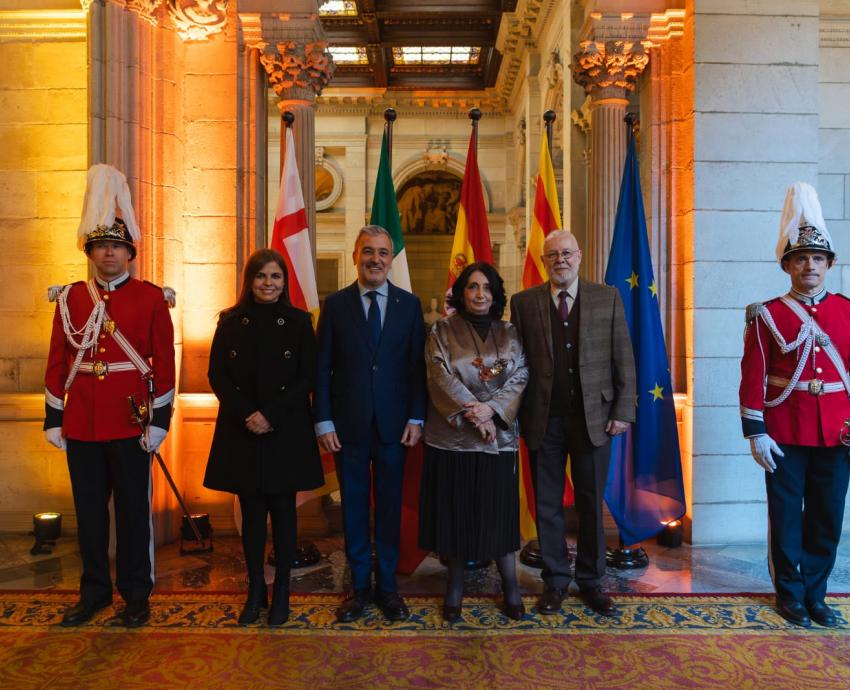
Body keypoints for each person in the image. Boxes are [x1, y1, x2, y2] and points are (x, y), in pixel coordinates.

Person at [43, 164, 175, 628]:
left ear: (130, 253)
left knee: (134, 514)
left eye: (117, 246)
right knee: (90, 516)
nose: (109, 253)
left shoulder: (151, 298)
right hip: (82, 422)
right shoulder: (70, 299)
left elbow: (165, 364)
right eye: (101, 246)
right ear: (91, 251)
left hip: (131, 421)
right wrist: (54, 418)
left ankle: (136, 597)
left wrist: (160, 421)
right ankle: (94, 593)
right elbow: (58, 361)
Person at [739, 182, 850, 628]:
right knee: (786, 517)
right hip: (784, 431)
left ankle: (816, 595)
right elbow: (753, 375)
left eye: (818, 259)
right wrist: (756, 432)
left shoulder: (846, 311)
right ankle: (790, 594)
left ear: (829, 265)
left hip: (838, 432)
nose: (810, 266)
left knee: (827, 518)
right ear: (787, 265)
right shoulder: (767, 314)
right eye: (801, 258)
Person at [510, 229, 635, 618]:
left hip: (593, 420)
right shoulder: (523, 303)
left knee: (590, 503)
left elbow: (623, 357)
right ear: (543, 261)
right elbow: (517, 364)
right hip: (542, 420)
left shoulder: (607, 297)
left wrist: (623, 410)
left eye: (566, 253)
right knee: (547, 504)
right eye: (553, 255)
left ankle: (592, 581)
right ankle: (556, 581)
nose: (560, 260)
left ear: (578, 256)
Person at [203, 249, 323, 627]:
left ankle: (282, 590)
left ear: (284, 282)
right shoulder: (229, 321)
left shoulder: (300, 322)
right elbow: (217, 375)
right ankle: (256, 591)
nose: (268, 283)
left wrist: (270, 414)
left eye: (275, 276)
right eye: (261, 276)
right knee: (252, 515)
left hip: (284, 430)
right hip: (243, 430)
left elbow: (308, 376)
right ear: (249, 281)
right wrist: (249, 414)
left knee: (284, 514)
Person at [314, 225, 426, 623]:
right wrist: (323, 420)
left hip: (395, 428)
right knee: (355, 508)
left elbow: (416, 368)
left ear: (391, 259)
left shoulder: (409, 305)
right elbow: (322, 368)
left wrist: (416, 416)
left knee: (391, 508)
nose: (375, 259)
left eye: (382, 252)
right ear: (355, 256)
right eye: (368, 251)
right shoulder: (335, 305)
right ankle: (360, 586)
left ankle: (388, 587)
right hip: (348, 428)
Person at [419, 262, 528, 622]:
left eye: (487, 288)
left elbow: (521, 374)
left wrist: (492, 411)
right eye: (472, 287)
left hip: (499, 440)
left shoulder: (510, 332)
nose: (480, 294)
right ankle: (455, 585)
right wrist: (474, 413)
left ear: (495, 295)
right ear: (461, 293)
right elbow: (438, 374)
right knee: (457, 514)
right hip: (453, 440)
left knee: (499, 514)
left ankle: (510, 585)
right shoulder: (441, 330)